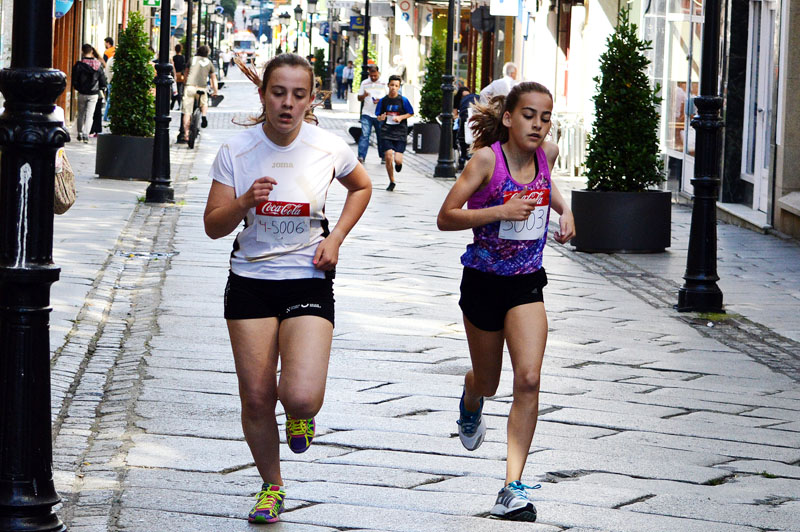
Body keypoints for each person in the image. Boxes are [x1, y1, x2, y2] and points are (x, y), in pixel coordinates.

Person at [203, 53, 372, 524]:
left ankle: (300, 412)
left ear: (311, 99)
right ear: (263, 95)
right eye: (279, 92)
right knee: (256, 397)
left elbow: (362, 187)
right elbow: (213, 227)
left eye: (299, 95)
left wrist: (335, 238)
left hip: (308, 278)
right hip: (251, 282)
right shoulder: (236, 150)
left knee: (300, 395)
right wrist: (243, 201)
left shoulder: (327, 146)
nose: (287, 103)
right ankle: (272, 486)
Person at [436, 82, 575, 522]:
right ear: (510, 118)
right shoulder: (485, 161)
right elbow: (446, 217)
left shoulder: (546, 155)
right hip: (482, 281)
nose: (538, 124)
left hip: (526, 284)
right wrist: (499, 211)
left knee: (529, 379)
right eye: (530, 115)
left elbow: (548, 187)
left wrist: (565, 209)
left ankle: (512, 486)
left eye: (546, 117)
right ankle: (470, 395)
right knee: (489, 381)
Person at [375, 75, 413, 191]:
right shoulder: (383, 101)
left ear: (399, 87)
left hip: (400, 131)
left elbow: (411, 113)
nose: (393, 88)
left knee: (397, 159)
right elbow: (378, 115)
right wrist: (381, 118)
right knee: (388, 156)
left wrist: (401, 117)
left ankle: (398, 164)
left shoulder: (403, 100)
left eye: (396, 86)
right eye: (392, 85)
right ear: (388, 85)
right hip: (386, 131)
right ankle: (392, 181)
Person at [181, 45, 219, 142]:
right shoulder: (209, 63)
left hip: (190, 87)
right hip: (201, 87)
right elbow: (213, 78)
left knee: (187, 112)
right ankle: (204, 115)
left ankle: (186, 134)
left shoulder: (192, 59)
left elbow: (186, 73)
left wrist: (185, 83)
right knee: (204, 102)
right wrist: (215, 91)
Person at [72, 44, 107, 143]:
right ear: (91, 51)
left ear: (82, 51)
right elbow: (102, 80)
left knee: (81, 114)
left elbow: (75, 79)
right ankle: (86, 134)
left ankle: (79, 132)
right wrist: (101, 88)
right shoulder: (97, 65)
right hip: (93, 93)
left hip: (82, 93)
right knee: (90, 115)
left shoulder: (79, 65)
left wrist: (78, 88)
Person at [356, 65, 387, 164]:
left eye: (375, 75)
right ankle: (361, 156)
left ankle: (383, 156)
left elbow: (388, 97)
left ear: (378, 72)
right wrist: (363, 95)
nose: (373, 77)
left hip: (379, 114)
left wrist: (380, 101)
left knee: (380, 135)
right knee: (365, 134)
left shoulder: (384, 82)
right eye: (371, 76)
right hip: (367, 113)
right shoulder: (364, 83)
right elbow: (359, 98)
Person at [454, 85, 480, 170]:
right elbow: (454, 115)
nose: (467, 98)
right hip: (463, 120)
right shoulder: (458, 103)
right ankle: (463, 155)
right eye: (464, 96)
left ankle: (465, 156)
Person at [172, 43, 187, 111]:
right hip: (181, 75)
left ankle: (173, 105)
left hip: (175, 75)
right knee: (179, 89)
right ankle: (178, 104)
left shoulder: (174, 58)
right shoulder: (183, 58)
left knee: (175, 90)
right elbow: (184, 66)